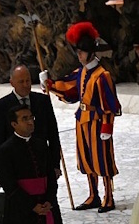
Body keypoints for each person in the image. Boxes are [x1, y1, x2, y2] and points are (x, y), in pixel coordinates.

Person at [0, 64, 79, 224]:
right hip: (19, 173)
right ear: (12, 83)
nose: (26, 84)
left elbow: (53, 134)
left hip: (42, 168)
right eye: (21, 81)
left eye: (28, 80)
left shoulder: (42, 101)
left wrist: (55, 164)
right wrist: (3, 174)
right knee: (23, 215)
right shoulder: (1, 107)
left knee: (52, 211)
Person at [44, 21, 121, 213]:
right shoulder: (81, 72)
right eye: (78, 52)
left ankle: (108, 197)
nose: (79, 55)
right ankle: (93, 195)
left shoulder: (103, 75)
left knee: (102, 160)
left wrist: (107, 127)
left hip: (97, 122)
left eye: (81, 52)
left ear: (91, 52)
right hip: (82, 121)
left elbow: (110, 105)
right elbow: (69, 88)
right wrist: (50, 84)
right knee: (86, 158)